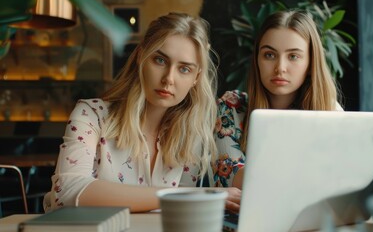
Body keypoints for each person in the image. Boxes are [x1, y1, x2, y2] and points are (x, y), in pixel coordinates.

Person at [44, 12, 240, 213]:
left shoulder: (190, 136)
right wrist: (190, 196)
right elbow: (65, 193)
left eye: (184, 69)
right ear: (141, 57)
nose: (169, 78)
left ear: (196, 78)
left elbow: (175, 214)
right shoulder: (90, 115)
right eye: (160, 60)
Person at [213, 10, 343, 189]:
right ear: (257, 59)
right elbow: (231, 179)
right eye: (269, 55)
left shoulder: (329, 112)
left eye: (293, 56)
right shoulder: (231, 108)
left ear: (311, 64)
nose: (280, 68)